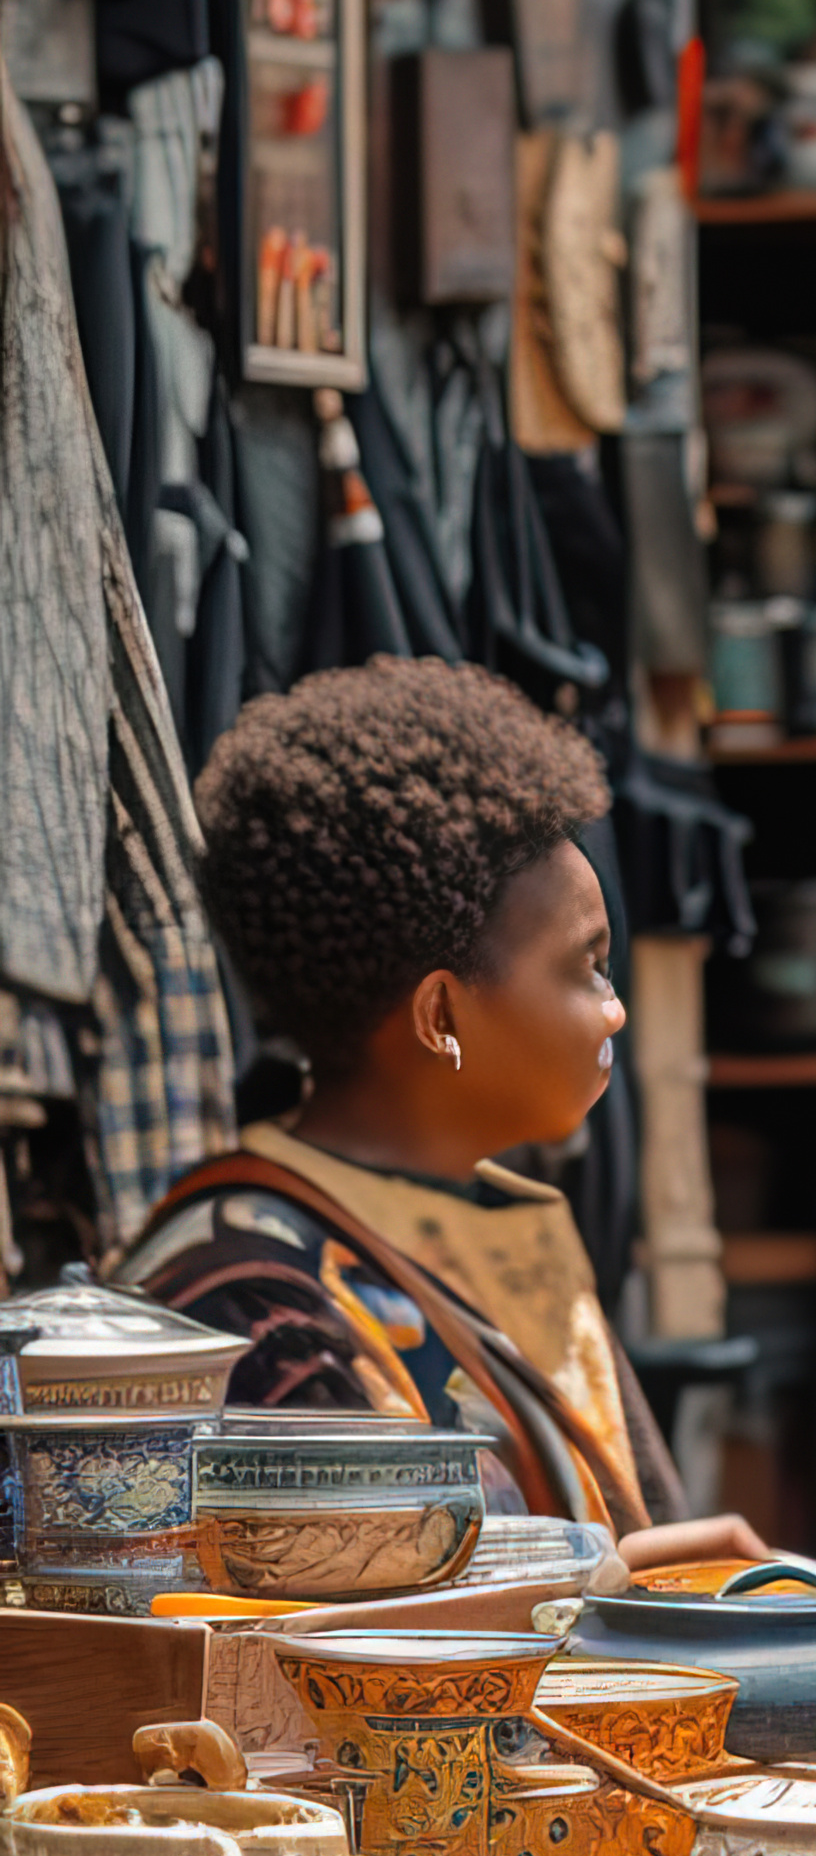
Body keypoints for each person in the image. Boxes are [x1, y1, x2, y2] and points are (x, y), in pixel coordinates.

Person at [121, 660, 756, 1570]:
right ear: (441, 1018)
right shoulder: (243, 1289)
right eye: (587, 966)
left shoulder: (512, 1218)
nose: (615, 1010)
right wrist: (623, 1573)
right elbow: (351, 1614)